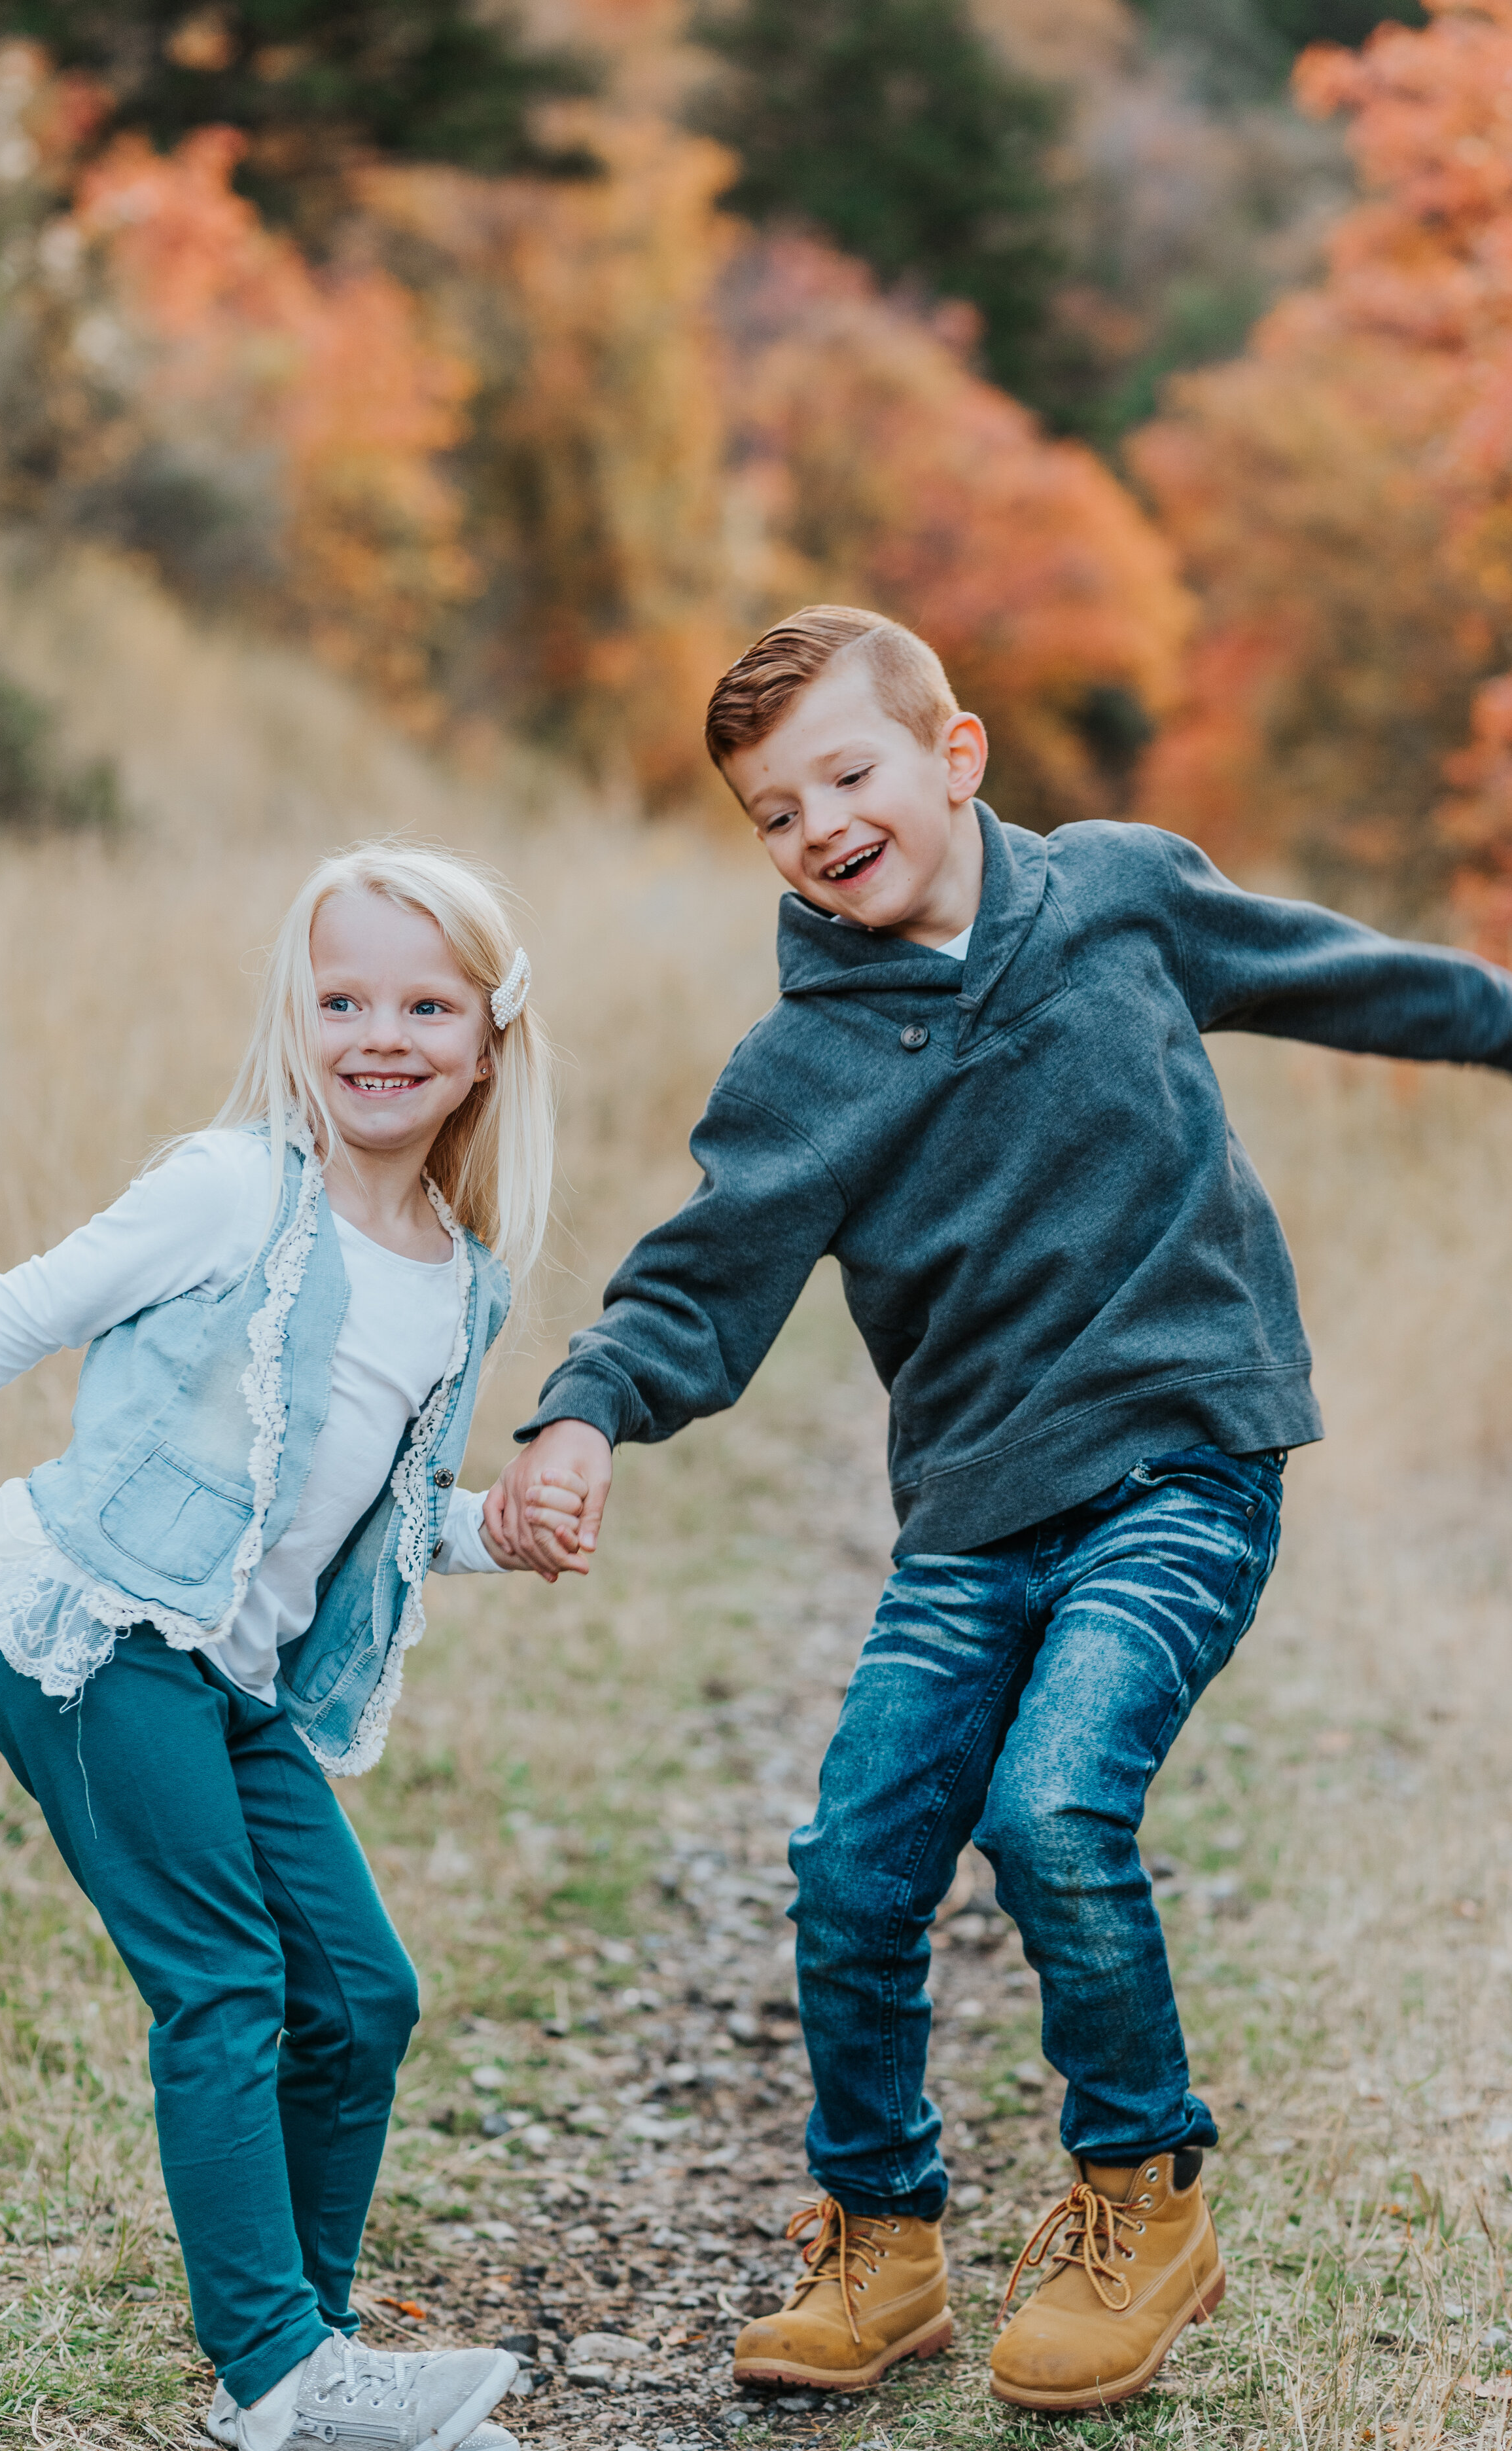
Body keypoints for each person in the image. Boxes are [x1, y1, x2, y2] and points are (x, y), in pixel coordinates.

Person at [487, 605, 1512, 2414]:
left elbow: (1331, 970)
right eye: (773, 812)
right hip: (969, 1526)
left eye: (847, 775)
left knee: (1051, 1808)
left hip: (1184, 1465)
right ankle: (881, 2242)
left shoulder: (1116, 896)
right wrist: (581, 1415)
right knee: (848, 1866)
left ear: (952, 755)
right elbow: (696, 1284)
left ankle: (1142, 2201)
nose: (816, 827)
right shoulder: (803, 1066)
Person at [0, 843, 586, 2451]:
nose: (377, 1034)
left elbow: (383, 1515)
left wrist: (494, 1530)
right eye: (340, 998)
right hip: (95, 1632)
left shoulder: (458, 1282)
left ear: (488, 1041)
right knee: (226, 1983)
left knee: (364, 1994)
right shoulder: (231, 1188)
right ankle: (279, 2373)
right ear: (296, 1014)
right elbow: (20, 1309)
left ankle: (305, 2359)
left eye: (423, 1003)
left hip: (231, 1678)